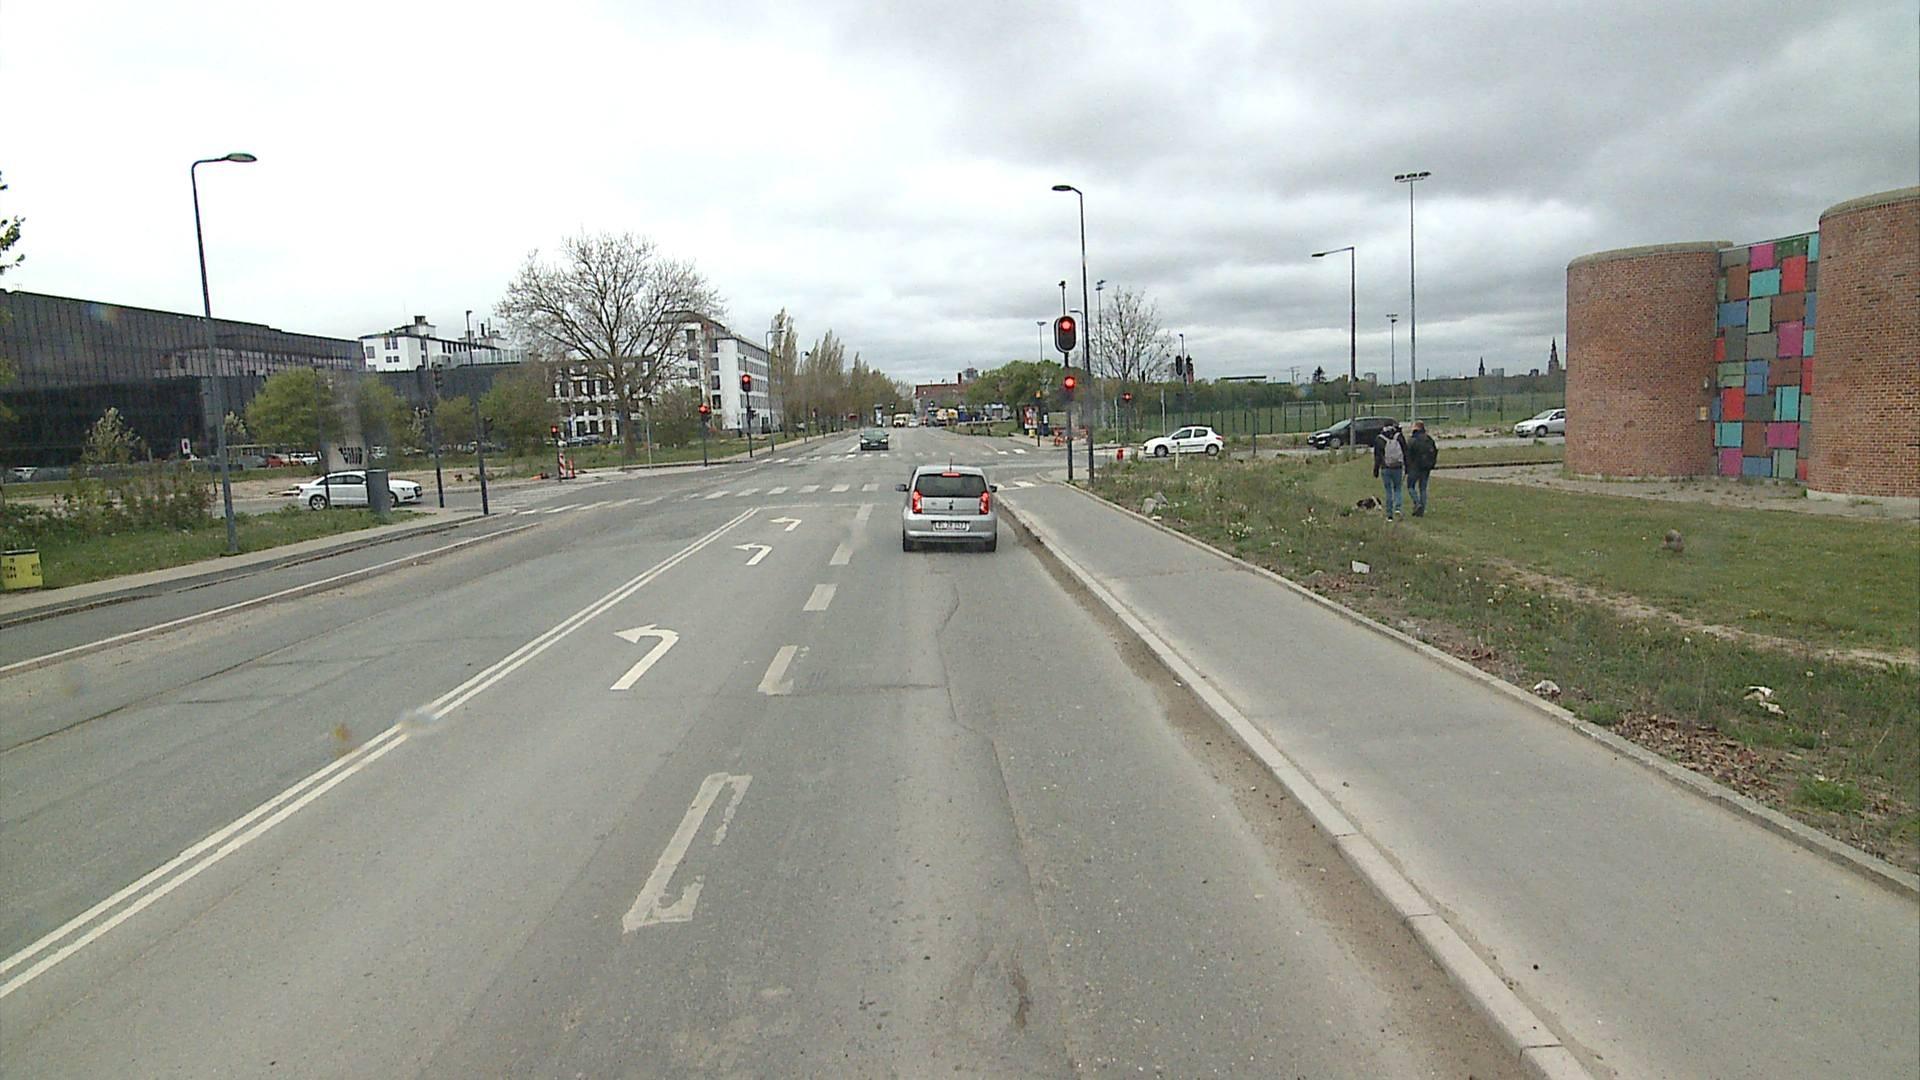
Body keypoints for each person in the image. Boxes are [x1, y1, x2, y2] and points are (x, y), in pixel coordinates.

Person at [1372, 421, 1409, 520]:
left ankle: (1389, 514)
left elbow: (1377, 456)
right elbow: (1406, 452)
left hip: (1385, 467)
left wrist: (1376, 469)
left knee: (1388, 490)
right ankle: (1398, 508)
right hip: (1398, 467)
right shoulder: (1399, 436)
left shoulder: (1379, 438)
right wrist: (1407, 467)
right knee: (1398, 488)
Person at [1405, 420, 1439, 516]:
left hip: (1415, 467)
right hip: (1426, 467)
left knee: (1410, 486)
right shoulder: (1429, 439)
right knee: (1423, 488)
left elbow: (1408, 455)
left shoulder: (1412, 440)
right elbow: (1435, 451)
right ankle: (1422, 509)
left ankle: (1417, 502)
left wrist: (1407, 467)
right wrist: (1432, 463)